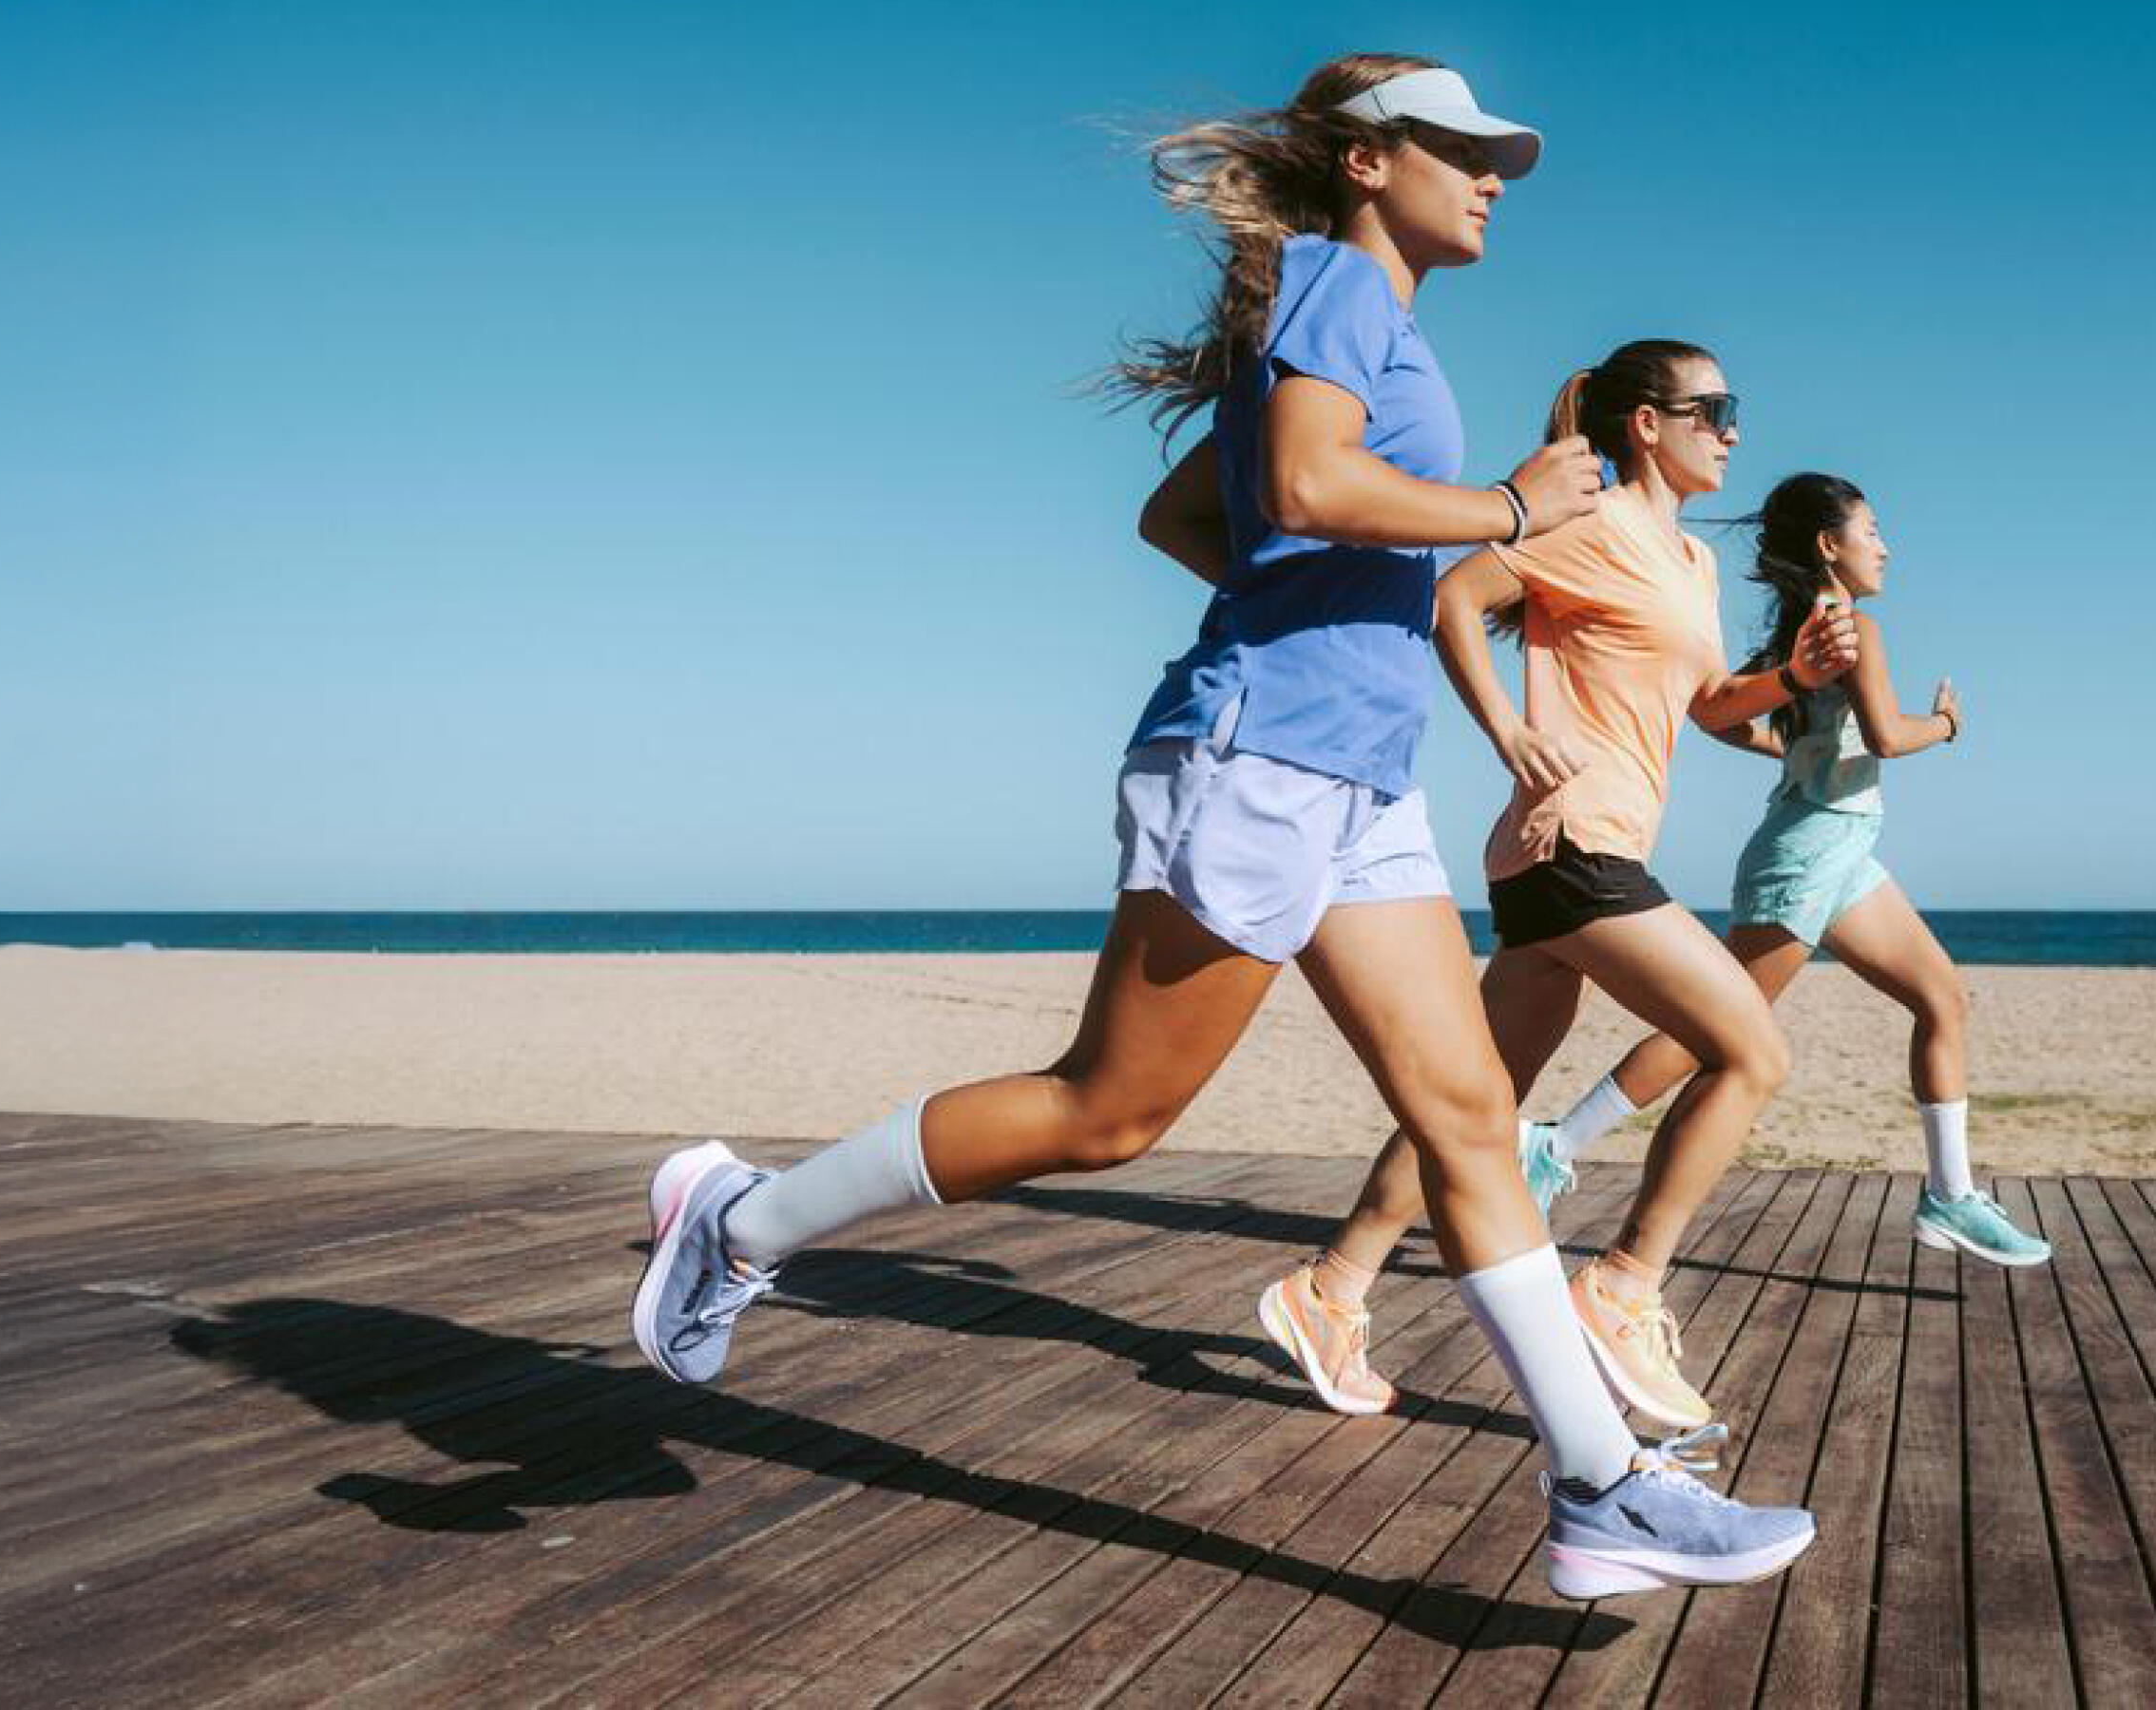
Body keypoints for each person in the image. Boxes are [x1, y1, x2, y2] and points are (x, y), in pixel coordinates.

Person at [627, 55, 1817, 1598]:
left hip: (1361, 777)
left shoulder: (1354, 317)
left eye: (1499, 154)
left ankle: (1602, 1490)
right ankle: (739, 1221)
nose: (1494, 176)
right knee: (1111, 1110)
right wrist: (1512, 512)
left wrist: (1306, 596)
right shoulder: (1332, 280)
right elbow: (1315, 484)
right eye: (1464, 149)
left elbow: (1196, 516)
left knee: (1470, 1122)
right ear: (1372, 160)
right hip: (1262, 761)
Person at [1258, 343, 1860, 1433]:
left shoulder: (1690, 562)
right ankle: (1625, 1285)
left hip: (1573, 851)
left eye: (1737, 410)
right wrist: (1508, 730)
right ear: (1646, 424)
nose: (1732, 430)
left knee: (1472, 1109)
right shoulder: (1581, 523)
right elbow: (1456, 596)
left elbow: (1709, 703)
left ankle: (1331, 1288)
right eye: (1713, 409)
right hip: (1573, 842)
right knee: (1751, 1049)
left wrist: (1794, 679)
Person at [1526, 471, 2053, 1268]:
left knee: (1942, 996)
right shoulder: (1853, 629)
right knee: (1718, 1029)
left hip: (1840, 850)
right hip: (1808, 855)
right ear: (1828, 545)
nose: (1885, 544)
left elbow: (1730, 720)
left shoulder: (1801, 636)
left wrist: (1795, 751)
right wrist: (1944, 725)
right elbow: (1883, 736)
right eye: (1871, 529)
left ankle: (1950, 1194)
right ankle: (1556, 1143)